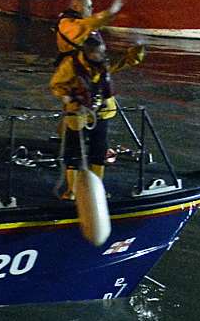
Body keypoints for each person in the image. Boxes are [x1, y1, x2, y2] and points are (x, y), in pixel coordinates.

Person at [49, 32, 146, 200]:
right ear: (87, 52)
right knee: (74, 152)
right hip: (78, 115)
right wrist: (68, 97)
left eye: (102, 52)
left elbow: (127, 60)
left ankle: (97, 188)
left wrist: (139, 46)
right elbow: (57, 84)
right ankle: (71, 190)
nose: (100, 56)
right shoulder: (71, 64)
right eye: (96, 53)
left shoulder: (104, 64)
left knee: (99, 151)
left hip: (102, 113)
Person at [54, 0, 124, 55]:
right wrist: (110, 12)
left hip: (86, 65)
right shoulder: (67, 24)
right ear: (75, 7)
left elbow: (91, 22)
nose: (92, 9)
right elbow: (88, 24)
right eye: (88, 7)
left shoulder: (82, 22)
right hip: (73, 67)